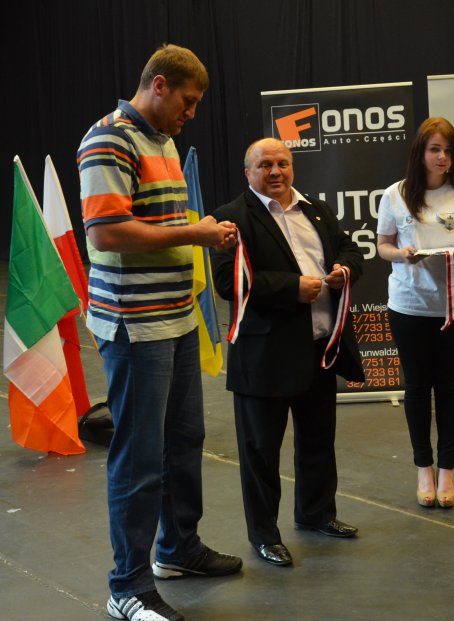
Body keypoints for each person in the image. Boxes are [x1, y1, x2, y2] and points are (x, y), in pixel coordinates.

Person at [77, 44, 242, 621]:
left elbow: (157, 222)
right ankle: (127, 587)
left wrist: (195, 232)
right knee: (139, 457)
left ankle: (177, 549)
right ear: (160, 84)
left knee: (184, 442)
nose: (190, 114)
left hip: (175, 317)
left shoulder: (162, 139)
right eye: (187, 102)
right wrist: (195, 234)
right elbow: (106, 233)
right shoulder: (108, 139)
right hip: (134, 324)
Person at [211, 138, 365, 566]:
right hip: (265, 357)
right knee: (261, 453)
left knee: (318, 440)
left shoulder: (316, 210)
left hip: (319, 347)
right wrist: (291, 288)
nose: (275, 171)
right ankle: (264, 535)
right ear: (248, 173)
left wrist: (345, 269)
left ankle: (317, 514)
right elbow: (228, 282)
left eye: (282, 163)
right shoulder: (231, 218)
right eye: (265, 165)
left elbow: (350, 248)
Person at [376, 117, 454, 509]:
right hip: (408, 305)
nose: (442, 157)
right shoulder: (395, 194)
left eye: (448, 150)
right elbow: (383, 246)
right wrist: (401, 254)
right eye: (435, 149)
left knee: (449, 387)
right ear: (420, 152)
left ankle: (447, 469)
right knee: (417, 387)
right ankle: (423, 467)